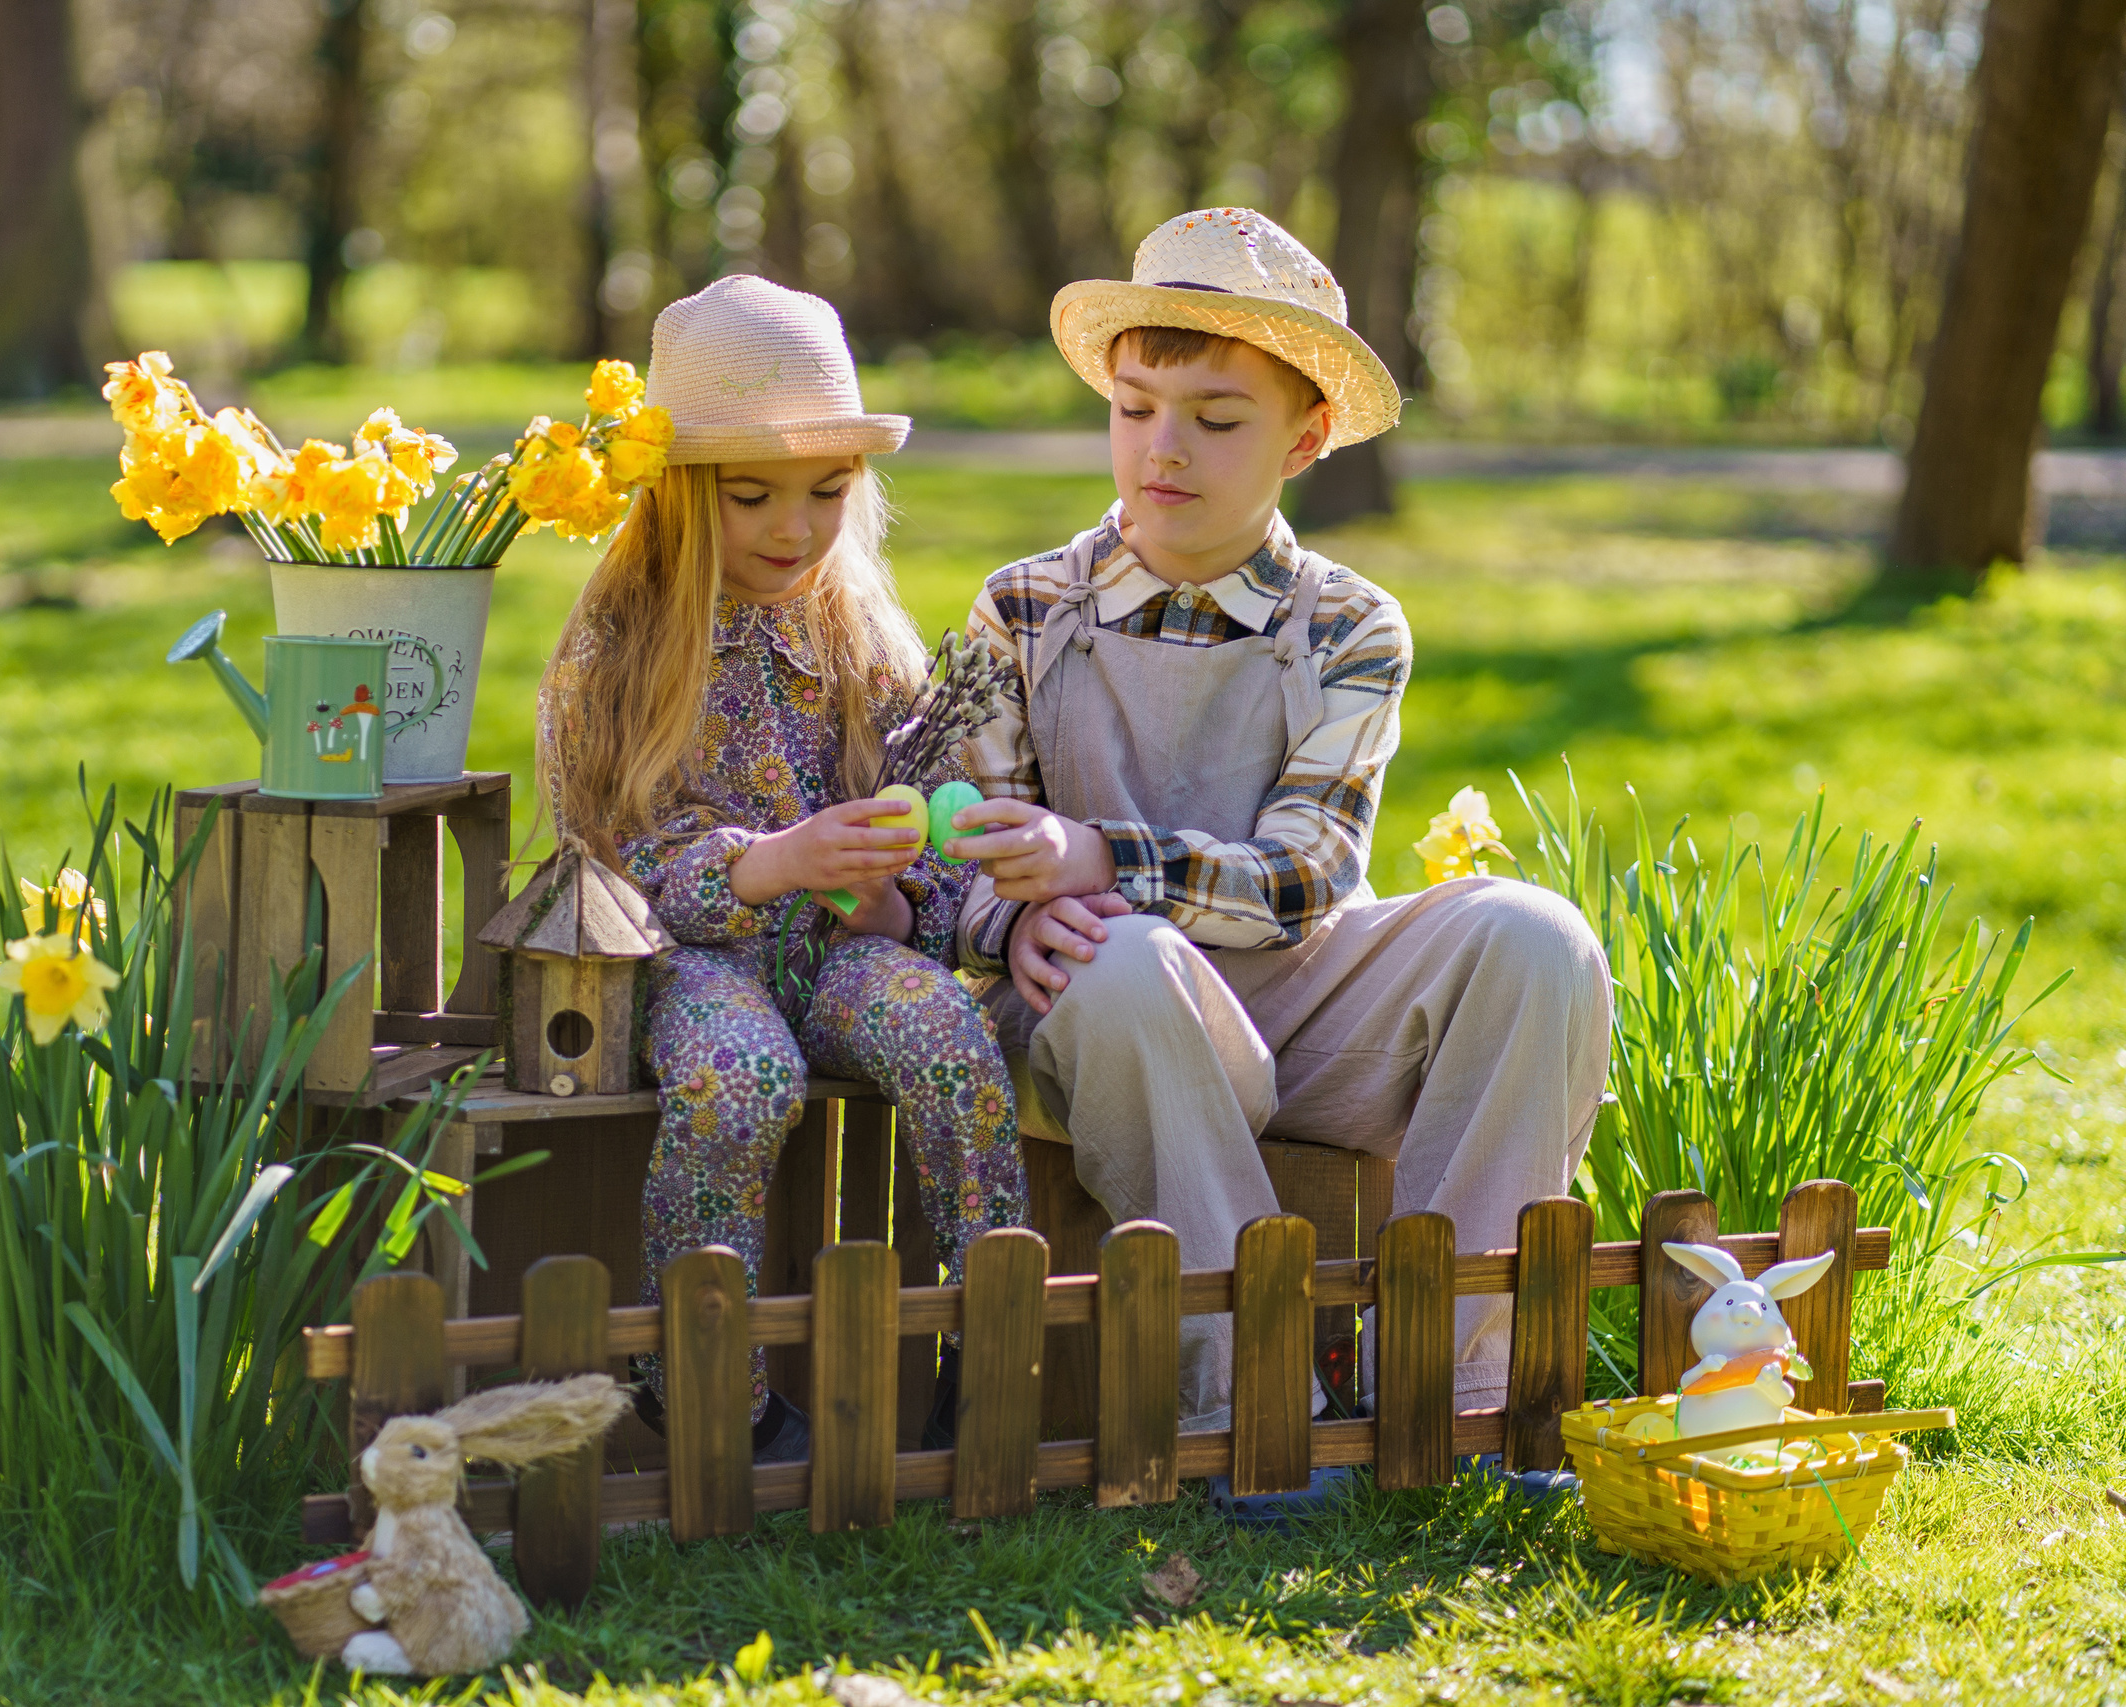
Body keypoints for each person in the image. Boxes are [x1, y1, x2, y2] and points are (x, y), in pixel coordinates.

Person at [947, 209, 1612, 1508]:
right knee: (1128, 955)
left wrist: (1093, 850)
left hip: (1302, 996)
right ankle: (1247, 1399)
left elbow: (1307, 876)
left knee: (1539, 936)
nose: (1165, 445)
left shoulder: (1350, 623)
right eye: (1136, 406)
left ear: (1305, 437)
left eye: (1215, 415)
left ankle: (1454, 1375)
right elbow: (957, 832)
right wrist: (998, 920)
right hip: (1109, 1015)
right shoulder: (1021, 606)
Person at [538, 275, 1029, 1462]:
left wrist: (898, 893)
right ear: (676, 493)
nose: (793, 529)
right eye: (752, 496)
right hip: (692, 964)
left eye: (826, 494)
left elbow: (939, 815)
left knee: (950, 1043)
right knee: (739, 1080)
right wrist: (762, 865)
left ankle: (988, 1339)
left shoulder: (858, 634)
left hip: (843, 955)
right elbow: (601, 864)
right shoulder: (617, 651)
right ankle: (709, 1376)